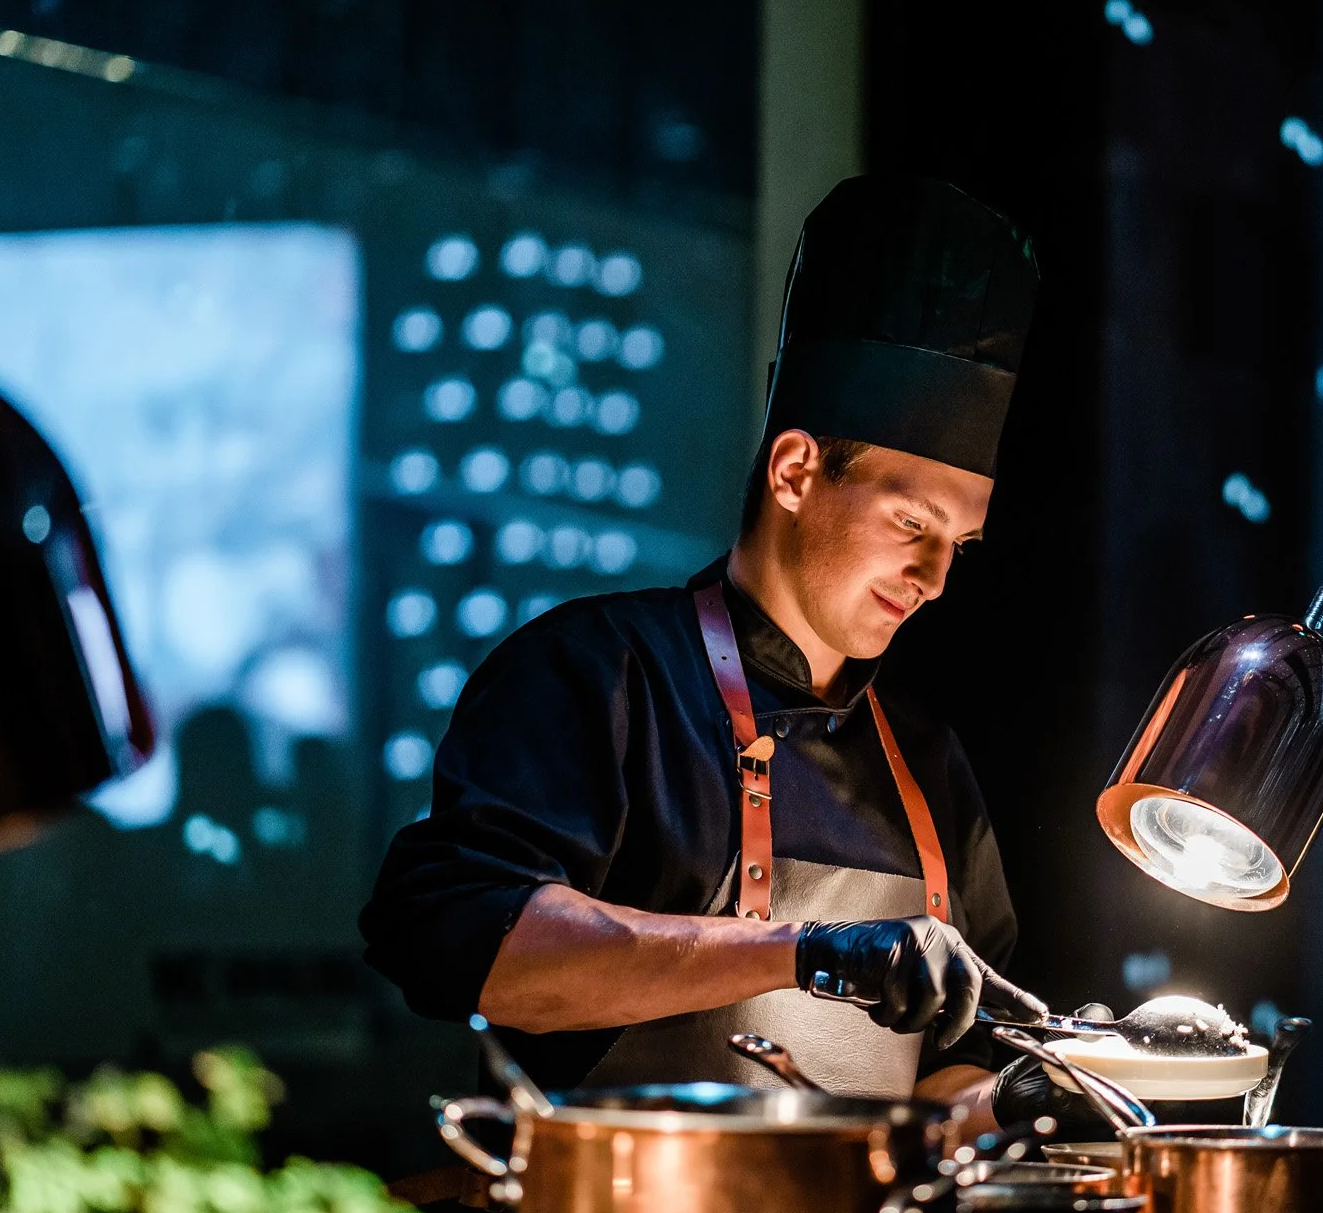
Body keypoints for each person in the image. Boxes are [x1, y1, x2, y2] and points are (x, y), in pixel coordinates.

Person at [361, 176, 1050, 1123]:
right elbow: (470, 945)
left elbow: (952, 1071)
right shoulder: (598, 673)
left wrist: (1021, 1090)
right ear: (796, 470)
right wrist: (808, 953)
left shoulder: (928, 763)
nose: (934, 576)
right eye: (911, 523)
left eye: (958, 546)